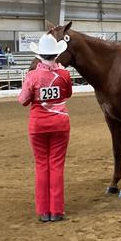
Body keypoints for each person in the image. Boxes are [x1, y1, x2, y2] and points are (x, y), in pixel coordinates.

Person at [18, 34, 73, 223]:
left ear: (39, 56)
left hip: (38, 125)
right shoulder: (64, 75)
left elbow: (23, 100)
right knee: (56, 166)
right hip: (60, 123)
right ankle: (57, 210)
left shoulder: (32, 76)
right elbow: (68, 93)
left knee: (42, 166)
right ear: (56, 56)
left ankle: (43, 212)